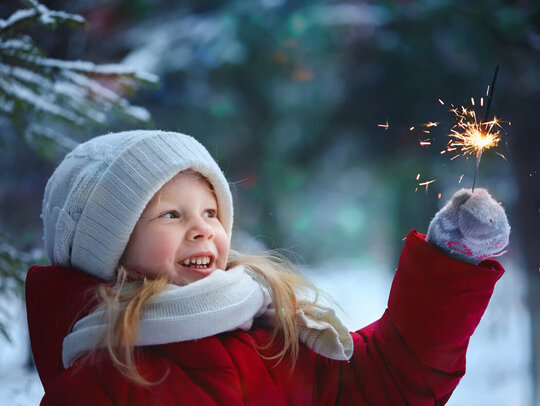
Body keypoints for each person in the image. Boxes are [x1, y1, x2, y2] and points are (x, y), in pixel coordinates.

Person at [26, 130, 510, 405]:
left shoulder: (270, 341)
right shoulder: (101, 381)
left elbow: (384, 381)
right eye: (171, 215)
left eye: (211, 212)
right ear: (109, 249)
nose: (202, 229)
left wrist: (450, 261)